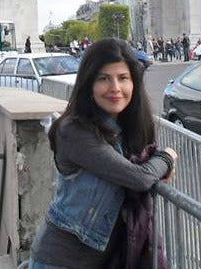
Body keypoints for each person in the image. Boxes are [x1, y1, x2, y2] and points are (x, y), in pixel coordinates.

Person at [29, 38, 177, 268]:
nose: (115, 88)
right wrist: (167, 158)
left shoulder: (125, 129)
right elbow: (139, 178)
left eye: (123, 78)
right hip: (61, 262)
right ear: (88, 85)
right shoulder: (73, 131)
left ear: (134, 84)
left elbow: (142, 171)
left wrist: (156, 166)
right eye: (103, 79)